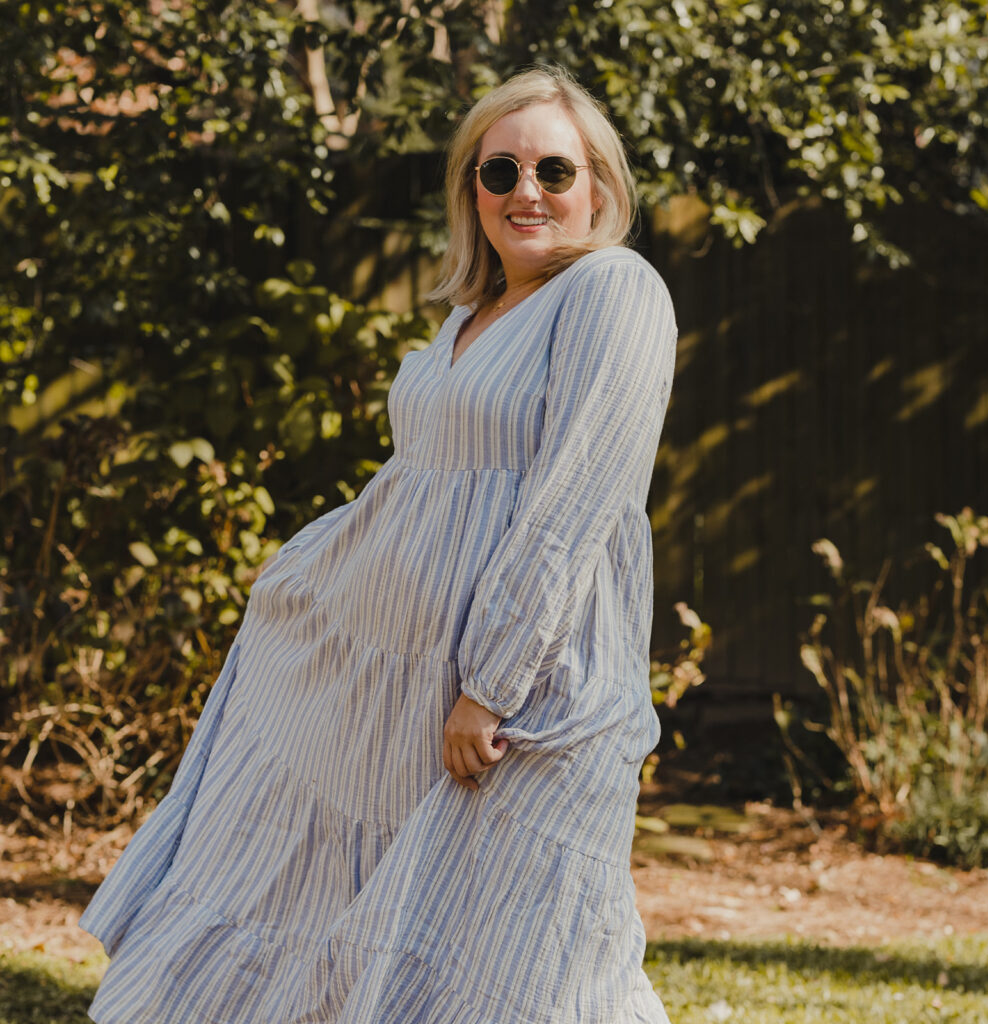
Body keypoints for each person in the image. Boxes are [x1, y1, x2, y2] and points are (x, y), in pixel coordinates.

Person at [80, 65, 677, 1024]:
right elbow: (417, 488)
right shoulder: (467, 318)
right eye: (499, 172)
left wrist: (489, 680)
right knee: (371, 920)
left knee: (534, 952)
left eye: (554, 170)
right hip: (399, 690)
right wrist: (306, 581)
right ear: (470, 193)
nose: (527, 192)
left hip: (529, 689)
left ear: (599, 186)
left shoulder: (614, 290)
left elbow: (576, 501)